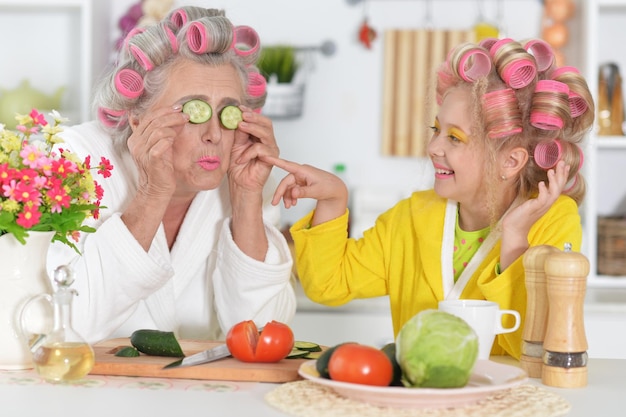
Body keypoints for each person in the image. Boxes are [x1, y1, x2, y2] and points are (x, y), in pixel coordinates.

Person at [262, 37, 594, 359]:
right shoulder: (413, 216)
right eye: (437, 131)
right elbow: (328, 284)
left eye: (455, 138)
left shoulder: (553, 220)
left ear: (510, 162)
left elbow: (533, 347)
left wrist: (516, 240)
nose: (433, 148)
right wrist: (334, 200)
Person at [47, 5, 296, 343]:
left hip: (201, 391)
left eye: (229, 112)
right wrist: (152, 193)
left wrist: (247, 200)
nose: (214, 134)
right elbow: (72, 324)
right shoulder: (79, 161)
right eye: (194, 111)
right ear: (138, 120)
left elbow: (264, 336)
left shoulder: (244, 178)